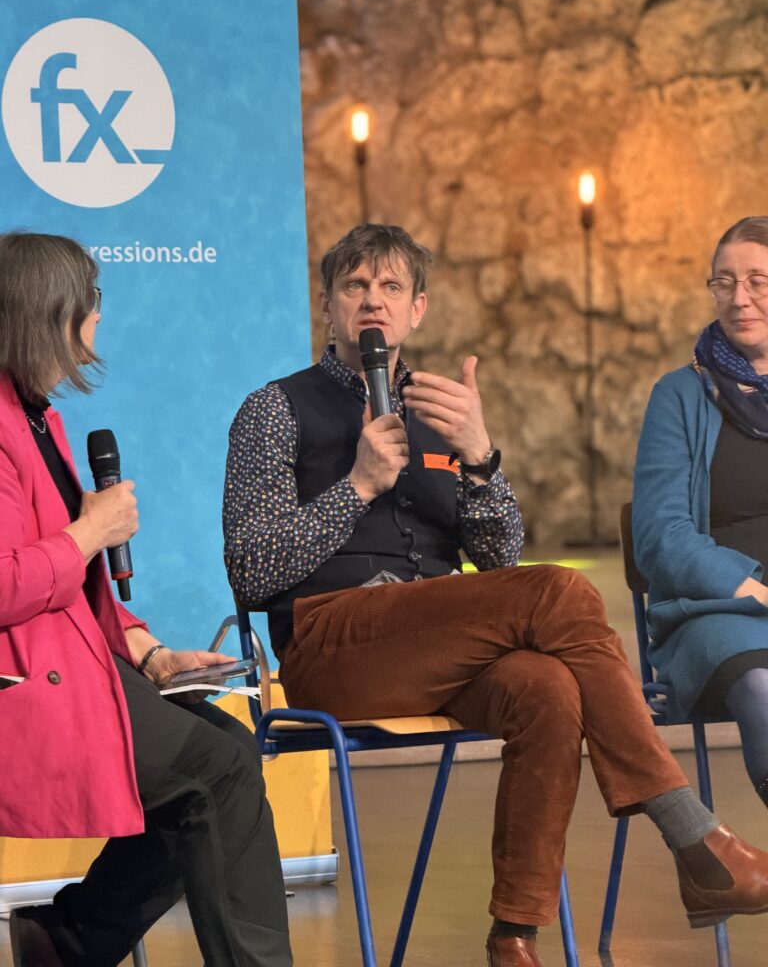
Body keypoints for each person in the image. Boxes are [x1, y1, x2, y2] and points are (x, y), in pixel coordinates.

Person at [224, 223, 768, 967]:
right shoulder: (272, 411)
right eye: (355, 287)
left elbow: (500, 556)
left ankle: (514, 936)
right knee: (558, 591)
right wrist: (356, 485)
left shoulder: (444, 409)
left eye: (390, 288)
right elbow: (252, 570)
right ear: (328, 306)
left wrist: (480, 458)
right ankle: (694, 835)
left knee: (546, 688)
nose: (372, 303)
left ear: (419, 309)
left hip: (442, 644)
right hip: (332, 647)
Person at [0, 232, 292, 967]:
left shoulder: (35, 416)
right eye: (89, 301)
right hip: (24, 681)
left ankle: (68, 941)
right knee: (213, 775)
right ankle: (74, 940)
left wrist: (149, 650)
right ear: (48, 313)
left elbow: (80, 594)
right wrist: (89, 531)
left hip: (78, 661)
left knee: (227, 752)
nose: (99, 317)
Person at [634, 215, 768, 809]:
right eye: (724, 282)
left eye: (758, 282)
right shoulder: (678, 395)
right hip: (717, 611)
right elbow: (660, 536)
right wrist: (753, 589)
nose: (740, 299)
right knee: (763, 685)